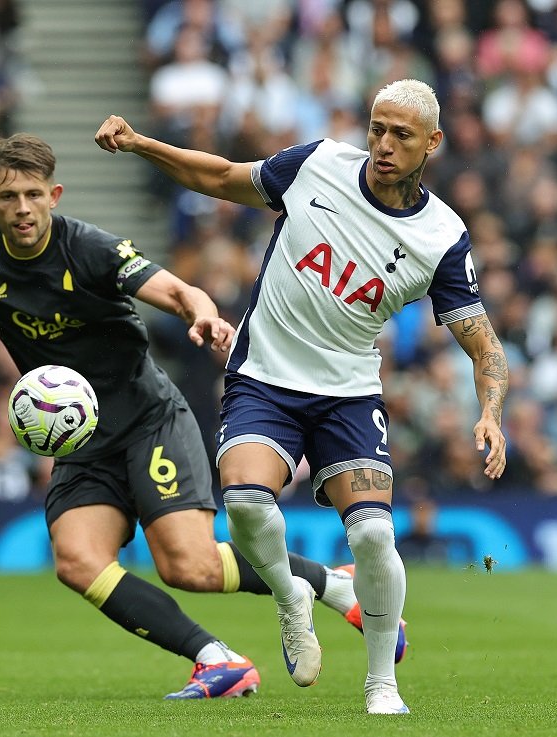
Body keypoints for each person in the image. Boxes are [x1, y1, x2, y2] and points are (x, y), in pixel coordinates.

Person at [0, 133, 373, 700]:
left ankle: (326, 580)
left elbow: (176, 291)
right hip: (79, 439)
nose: (22, 209)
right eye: (8, 197)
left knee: (189, 566)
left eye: (33, 195)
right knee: (77, 561)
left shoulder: (89, 249)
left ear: (55, 195)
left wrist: (204, 314)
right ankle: (217, 660)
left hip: (148, 419)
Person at [95, 78, 510, 715]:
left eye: (401, 134)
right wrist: (140, 143)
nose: (383, 144)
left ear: (434, 143)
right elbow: (221, 177)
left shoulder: (443, 236)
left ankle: (381, 685)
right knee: (244, 501)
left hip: (347, 394)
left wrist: (490, 411)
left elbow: (483, 344)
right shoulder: (317, 165)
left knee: (372, 536)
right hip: (264, 376)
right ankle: (292, 597)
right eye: (377, 127)